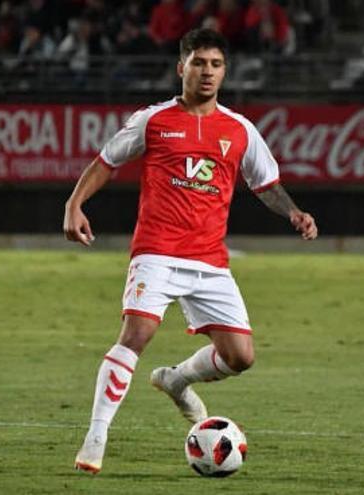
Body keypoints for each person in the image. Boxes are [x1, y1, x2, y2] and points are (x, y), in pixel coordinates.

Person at [65, 28, 318, 475]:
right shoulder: (154, 120)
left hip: (209, 260)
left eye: (216, 64)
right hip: (157, 251)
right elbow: (106, 161)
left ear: (225, 72)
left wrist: (294, 213)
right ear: (181, 67)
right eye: (199, 62)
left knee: (241, 357)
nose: (207, 72)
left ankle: (178, 379)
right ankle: (97, 434)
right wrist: (74, 204)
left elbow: (267, 184)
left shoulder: (239, 130)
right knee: (137, 334)